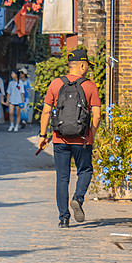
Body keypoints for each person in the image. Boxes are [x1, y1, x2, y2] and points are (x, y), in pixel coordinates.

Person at [38, 48, 101, 228]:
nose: (88, 68)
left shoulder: (55, 84)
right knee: (85, 171)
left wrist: (43, 136)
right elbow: (96, 115)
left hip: (60, 138)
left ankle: (63, 218)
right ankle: (78, 199)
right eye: (87, 65)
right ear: (82, 65)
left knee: (62, 178)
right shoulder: (90, 86)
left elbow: (47, 111)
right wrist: (91, 135)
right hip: (82, 139)